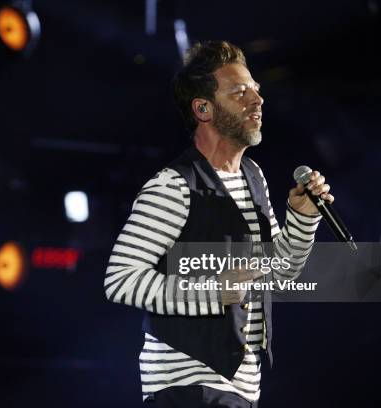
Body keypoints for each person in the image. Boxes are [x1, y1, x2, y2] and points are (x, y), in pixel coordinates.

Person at [103, 40, 334, 408]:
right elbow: (121, 280)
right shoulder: (173, 185)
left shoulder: (253, 177)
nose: (258, 100)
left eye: (256, 91)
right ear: (203, 108)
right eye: (240, 92)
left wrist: (303, 217)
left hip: (239, 391)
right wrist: (211, 291)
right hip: (187, 387)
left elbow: (279, 271)